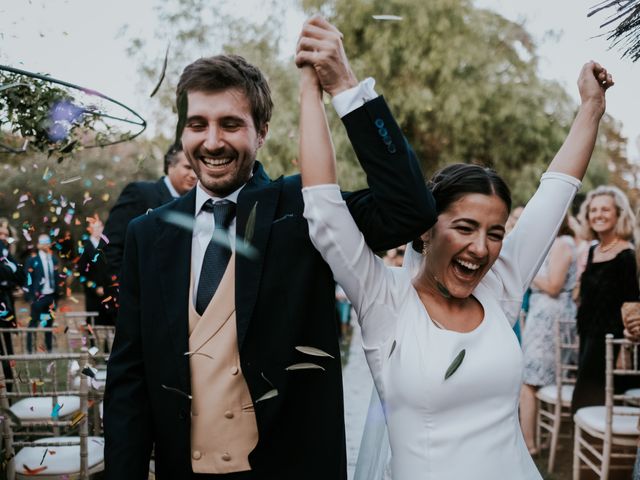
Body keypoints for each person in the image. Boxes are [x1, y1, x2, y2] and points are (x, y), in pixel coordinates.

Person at [104, 16, 435, 480]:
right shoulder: (148, 233)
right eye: (197, 124)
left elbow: (409, 211)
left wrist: (343, 84)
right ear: (182, 134)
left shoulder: (305, 209)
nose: (213, 141)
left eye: (231, 124)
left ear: (261, 132)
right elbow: (129, 379)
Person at [299, 58, 613, 480]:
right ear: (426, 231)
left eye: (495, 233)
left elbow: (555, 190)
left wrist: (592, 106)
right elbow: (324, 208)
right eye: (464, 228)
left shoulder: (500, 288)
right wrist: (318, 88)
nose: (481, 248)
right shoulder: (384, 300)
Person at [571, 185, 640, 413]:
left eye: (605, 210)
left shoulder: (627, 255)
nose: (598, 215)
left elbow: (632, 304)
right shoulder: (593, 251)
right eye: (593, 210)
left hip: (610, 343)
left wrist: (624, 350)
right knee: (585, 404)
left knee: (590, 404)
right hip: (588, 337)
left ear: (618, 214)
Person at [519, 215, 578, 454]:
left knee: (527, 382)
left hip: (549, 321)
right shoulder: (555, 242)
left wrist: (527, 272)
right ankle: (536, 441)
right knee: (533, 382)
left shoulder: (563, 243)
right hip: (543, 319)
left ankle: (529, 445)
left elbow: (554, 285)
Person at [102, 142, 197, 279]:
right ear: (170, 165)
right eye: (188, 167)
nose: (194, 175)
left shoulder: (197, 205)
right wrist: (125, 292)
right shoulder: (140, 193)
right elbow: (110, 246)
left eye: (197, 169)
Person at [23, 234, 61, 352]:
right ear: (39, 245)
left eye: (47, 242)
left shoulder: (53, 259)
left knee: (49, 323)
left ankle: (49, 349)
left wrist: (58, 294)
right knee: (33, 323)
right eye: (43, 242)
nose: (45, 245)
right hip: (38, 297)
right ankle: (30, 350)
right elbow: (28, 279)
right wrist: (29, 297)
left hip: (51, 297)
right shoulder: (32, 260)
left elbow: (57, 277)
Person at [78, 216, 113, 326]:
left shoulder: (106, 246)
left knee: (109, 324)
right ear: (90, 229)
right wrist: (94, 287)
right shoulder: (84, 248)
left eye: (100, 227)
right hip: (93, 295)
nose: (99, 230)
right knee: (94, 324)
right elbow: (82, 274)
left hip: (107, 292)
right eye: (96, 228)